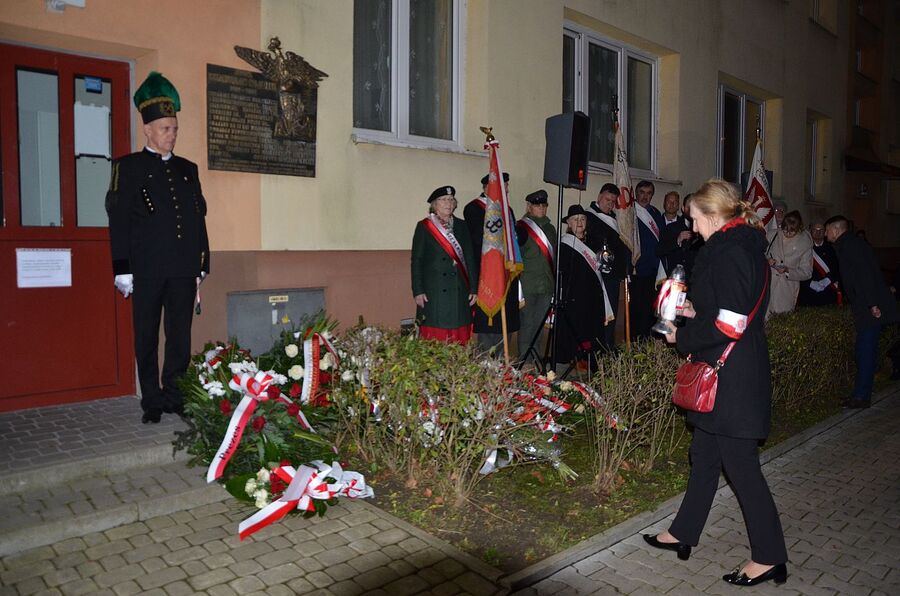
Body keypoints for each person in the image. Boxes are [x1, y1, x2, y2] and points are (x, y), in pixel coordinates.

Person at [645, 179, 788, 588]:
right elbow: (726, 306)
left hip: (733, 380)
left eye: (694, 218)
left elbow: (732, 323)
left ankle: (769, 556)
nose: (692, 226)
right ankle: (682, 533)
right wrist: (693, 308)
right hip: (726, 374)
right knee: (704, 455)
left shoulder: (732, 251)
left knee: (742, 470)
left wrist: (680, 336)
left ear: (711, 215)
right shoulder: (732, 247)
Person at [106, 72, 210, 424]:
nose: (172, 135)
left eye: (175, 128)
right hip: (146, 269)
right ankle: (151, 398)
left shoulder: (187, 169)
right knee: (146, 335)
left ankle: (174, 394)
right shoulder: (128, 168)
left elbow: (198, 219)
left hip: (182, 269)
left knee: (179, 336)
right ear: (147, 130)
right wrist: (121, 268)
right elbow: (118, 219)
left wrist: (201, 264)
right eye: (166, 128)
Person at [825, 215, 899, 407]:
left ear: (836, 229)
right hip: (866, 306)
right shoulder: (849, 245)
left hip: (868, 308)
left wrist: (872, 305)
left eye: (827, 230)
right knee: (863, 350)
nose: (825, 234)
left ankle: (861, 396)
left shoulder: (851, 247)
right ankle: (861, 393)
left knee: (865, 351)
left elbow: (865, 276)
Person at [463, 172, 528, 353]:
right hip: (488, 274)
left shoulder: (507, 210)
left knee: (504, 325)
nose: (507, 190)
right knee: (488, 325)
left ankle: (501, 365)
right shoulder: (473, 208)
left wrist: (516, 234)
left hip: (507, 275)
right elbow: (478, 238)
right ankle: (485, 368)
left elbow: (516, 236)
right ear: (488, 188)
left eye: (506, 186)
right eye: (503, 186)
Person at [411, 186, 478, 344]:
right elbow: (417, 261)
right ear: (434, 204)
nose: (448, 203)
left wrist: (474, 288)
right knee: (436, 341)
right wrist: (418, 290)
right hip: (434, 293)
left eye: (451, 200)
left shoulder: (462, 226)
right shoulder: (424, 227)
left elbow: (469, 258)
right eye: (443, 200)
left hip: (459, 291)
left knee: (459, 339)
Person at [554, 205, 609, 368]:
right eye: (575, 219)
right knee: (574, 328)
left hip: (592, 297)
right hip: (573, 296)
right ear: (569, 223)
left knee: (591, 329)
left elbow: (601, 268)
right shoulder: (564, 244)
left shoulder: (594, 242)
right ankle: (571, 361)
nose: (579, 222)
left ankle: (589, 361)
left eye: (582, 219)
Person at [585, 183, 632, 350]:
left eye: (613, 201)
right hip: (596, 276)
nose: (610, 204)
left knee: (612, 314)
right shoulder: (588, 217)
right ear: (599, 197)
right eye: (607, 199)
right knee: (597, 314)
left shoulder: (615, 219)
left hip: (613, 277)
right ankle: (597, 349)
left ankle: (608, 346)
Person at [517, 190, 557, 365]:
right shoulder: (521, 227)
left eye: (543, 205)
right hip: (528, 284)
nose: (541, 208)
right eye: (537, 205)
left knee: (540, 324)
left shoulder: (550, 229)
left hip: (546, 284)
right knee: (527, 324)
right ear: (529, 206)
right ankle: (525, 360)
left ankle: (536, 359)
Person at [631, 180, 666, 340]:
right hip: (636, 269)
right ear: (636, 193)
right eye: (642, 192)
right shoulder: (630, 212)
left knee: (650, 310)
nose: (645, 196)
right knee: (636, 309)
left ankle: (647, 343)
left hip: (653, 270)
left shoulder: (656, 214)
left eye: (649, 193)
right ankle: (634, 342)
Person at [765, 210, 812, 317]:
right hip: (768, 285)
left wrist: (788, 271)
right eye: (785, 230)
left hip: (786, 290)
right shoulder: (772, 235)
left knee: (781, 323)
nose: (787, 234)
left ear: (798, 229)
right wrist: (767, 260)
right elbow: (759, 254)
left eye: (791, 232)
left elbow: (807, 272)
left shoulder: (805, 243)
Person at [657, 193, 703, 279]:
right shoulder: (671, 227)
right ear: (683, 208)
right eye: (688, 207)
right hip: (676, 278)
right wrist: (677, 240)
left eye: (694, 207)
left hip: (695, 277)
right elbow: (659, 250)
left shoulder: (703, 227)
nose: (691, 210)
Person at [798, 222, 841, 307]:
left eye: (821, 230)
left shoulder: (831, 248)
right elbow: (798, 267)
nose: (818, 232)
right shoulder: (803, 247)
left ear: (825, 232)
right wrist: (810, 283)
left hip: (827, 292)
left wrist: (826, 281)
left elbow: (836, 268)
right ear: (810, 231)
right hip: (808, 293)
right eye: (815, 230)